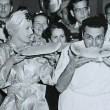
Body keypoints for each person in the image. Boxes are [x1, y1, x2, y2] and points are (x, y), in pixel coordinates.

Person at [0, 9, 57, 110]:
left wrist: (51, 63)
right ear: (15, 28)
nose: (31, 32)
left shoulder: (37, 47)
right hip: (13, 104)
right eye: (27, 28)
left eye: (31, 28)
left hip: (37, 103)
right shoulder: (3, 50)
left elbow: (49, 79)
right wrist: (10, 61)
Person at [54, 16, 110, 110]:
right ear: (83, 34)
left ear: (105, 36)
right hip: (74, 103)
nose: (94, 43)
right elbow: (59, 88)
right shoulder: (69, 51)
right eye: (89, 37)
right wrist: (71, 66)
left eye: (99, 37)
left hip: (104, 103)